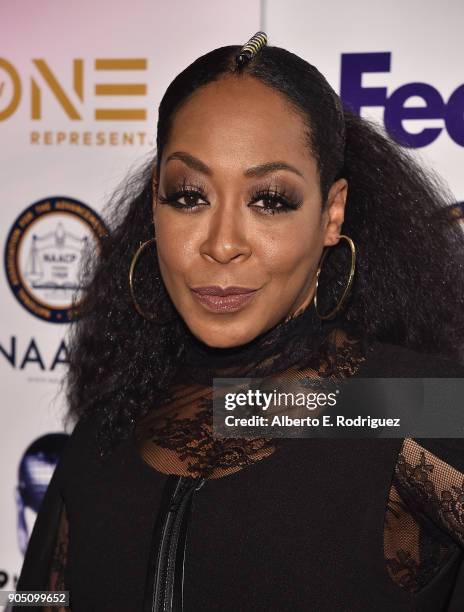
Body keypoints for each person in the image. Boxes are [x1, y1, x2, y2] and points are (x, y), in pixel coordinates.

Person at [16, 32, 464, 611]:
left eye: (271, 199)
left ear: (332, 215)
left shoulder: (415, 404)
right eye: (189, 196)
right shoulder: (108, 429)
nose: (223, 244)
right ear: (155, 203)